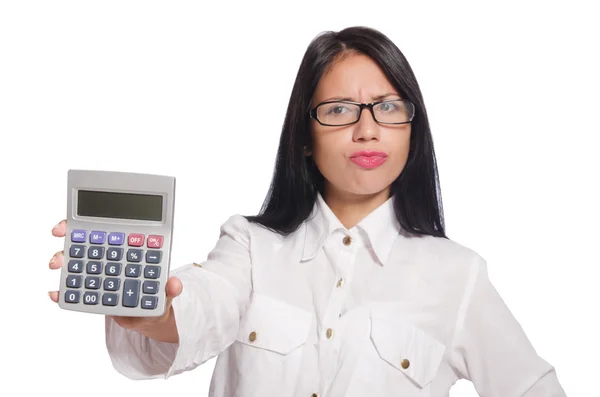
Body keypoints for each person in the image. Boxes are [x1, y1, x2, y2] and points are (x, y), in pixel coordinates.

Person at [48, 26, 567, 396]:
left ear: (413, 127)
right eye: (339, 110)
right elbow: (207, 304)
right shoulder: (250, 246)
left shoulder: (458, 275)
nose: (367, 129)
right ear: (303, 136)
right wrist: (154, 312)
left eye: (388, 107)